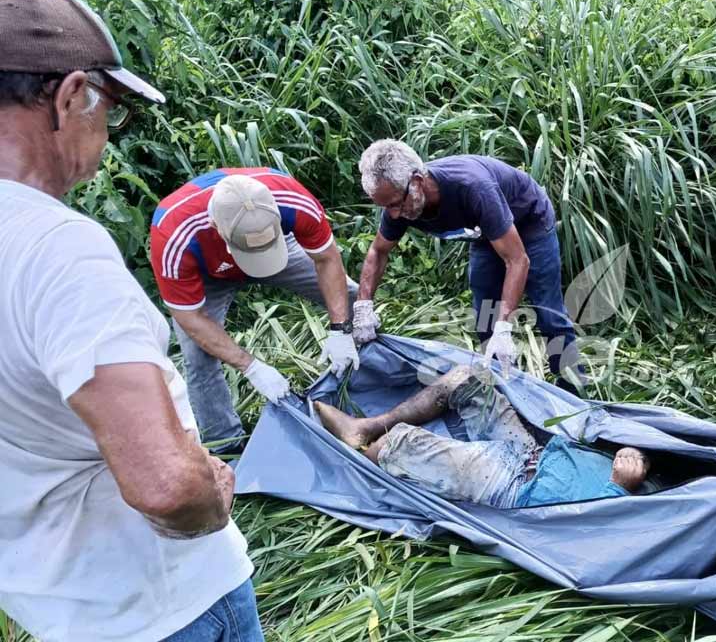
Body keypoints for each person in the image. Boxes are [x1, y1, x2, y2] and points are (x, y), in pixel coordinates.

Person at [0, 0, 261, 640]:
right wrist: (211, 500)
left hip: (58, 611)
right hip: (169, 607)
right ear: (68, 98)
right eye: (108, 111)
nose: (107, 136)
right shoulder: (58, 248)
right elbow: (167, 485)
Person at [151, 169, 359, 452]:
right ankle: (227, 446)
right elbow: (190, 317)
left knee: (351, 297)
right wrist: (252, 367)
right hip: (208, 272)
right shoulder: (175, 233)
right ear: (216, 226)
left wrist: (340, 329)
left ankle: (365, 378)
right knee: (198, 359)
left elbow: (326, 259)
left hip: (277, 248)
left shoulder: (291, 198)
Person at [354, 141, 581, 392]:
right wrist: (364, 305)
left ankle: (573, 389)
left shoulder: (473, 187)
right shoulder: (398, 197)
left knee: (548, 313)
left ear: (417, 180)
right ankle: (503, 388)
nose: (393, 215)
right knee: (486, 315)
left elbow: (517, 260)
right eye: (386, 207)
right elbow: (378, 250)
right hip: (485, 233)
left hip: (529, 222)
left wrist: (505, 328)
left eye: (396, 204)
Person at [314, 365, 650, 507]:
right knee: (465, 379)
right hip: (535, 451)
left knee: (397, 444)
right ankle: (368, 426)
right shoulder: (677, 485)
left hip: (513, 485)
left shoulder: (664, 528)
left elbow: (601, 535)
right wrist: (638, 454)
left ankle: (366, 445)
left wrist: (617, 488)